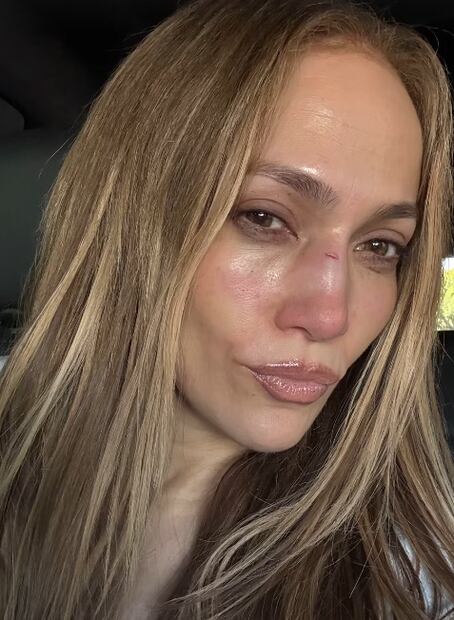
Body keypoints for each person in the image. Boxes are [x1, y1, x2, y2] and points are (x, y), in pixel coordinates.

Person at [0, 0, 453, 618]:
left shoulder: (408, 583)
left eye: (380, 247)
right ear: (135, 220)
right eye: (264, 218)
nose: (330, 317)